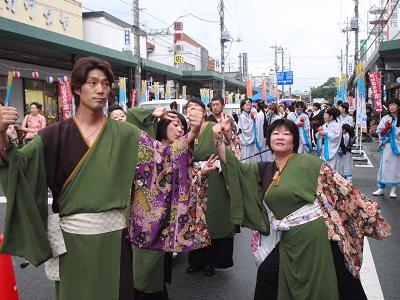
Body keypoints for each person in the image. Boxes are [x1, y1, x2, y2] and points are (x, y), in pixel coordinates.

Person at [0, 56, 203, 300]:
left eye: (105, 84)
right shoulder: (52, 136)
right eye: (93, 83)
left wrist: (192, 132)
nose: (100, 90)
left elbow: (165, 162)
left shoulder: (126, 133)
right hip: (71, 244)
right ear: (77, 88)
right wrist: (2, 136)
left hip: (115, 241)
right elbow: (18, 166)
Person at [212, 118, 390, 300]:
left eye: (286, 133)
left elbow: (341, 188)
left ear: (294, 141)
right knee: (268, 274)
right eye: (275, 133)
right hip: (290, 236)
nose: (280, 137)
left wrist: (367, 210)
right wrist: (219, 140)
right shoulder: (265, 169)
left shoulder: (308, 163)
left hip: (316, 235)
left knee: (339, 281)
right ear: (268, 140)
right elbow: (235, 168)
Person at [372, 98, 400, 198]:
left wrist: (393, 130)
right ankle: (381, 188)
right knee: (384, 166)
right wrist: (384, 130)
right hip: (387, 145)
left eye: (394, 105)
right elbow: (379, 130)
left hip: (397, 146)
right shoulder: (385, 118)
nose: (392, 107)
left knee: (395, 168)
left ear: (398, 106)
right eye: (390, 105)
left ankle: (393, 189)